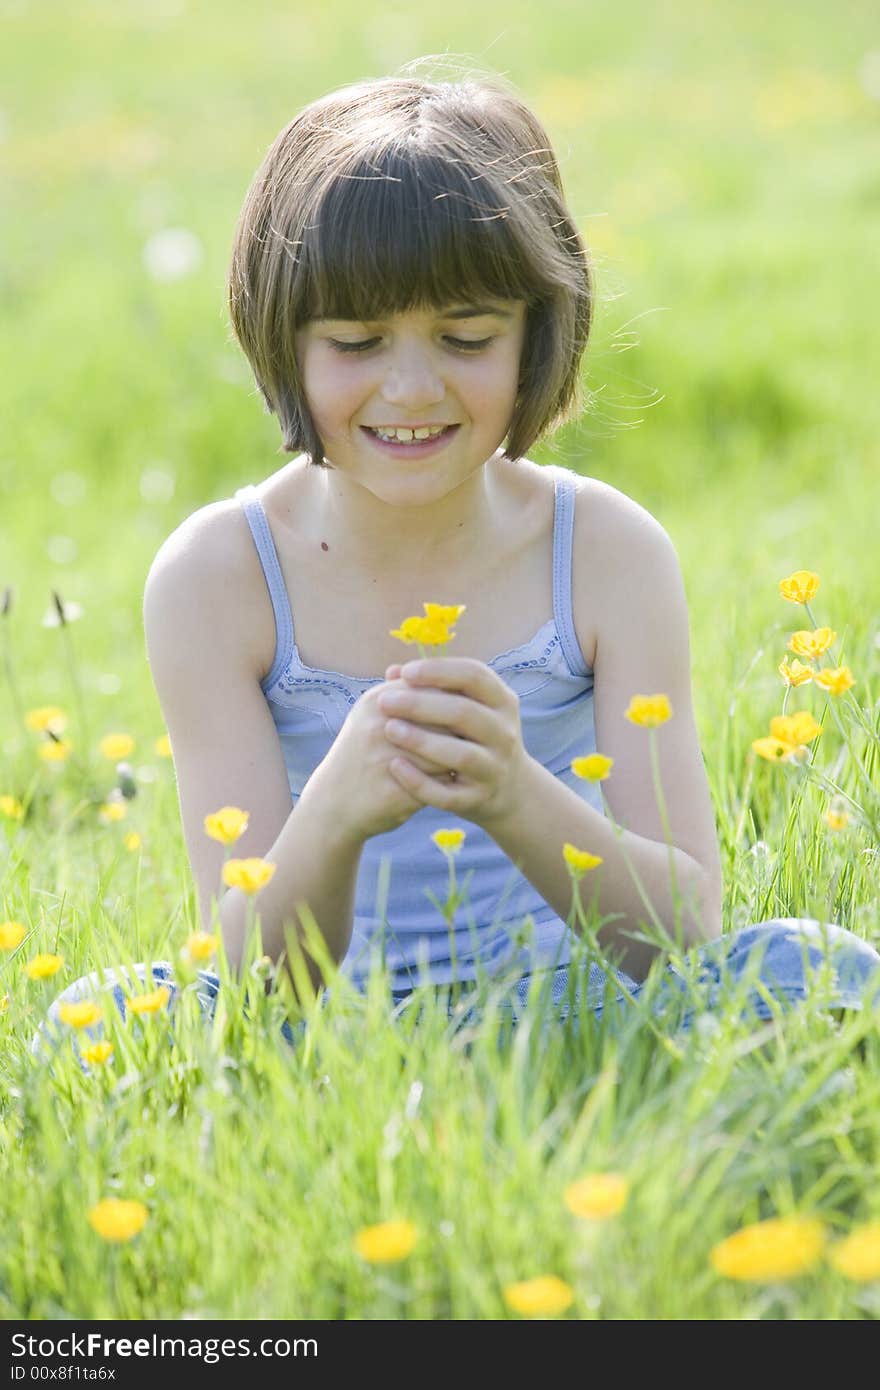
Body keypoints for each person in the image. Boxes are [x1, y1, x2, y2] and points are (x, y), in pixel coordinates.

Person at [33, 69, 880, 1061]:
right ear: (282, 339)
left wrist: (514, 790)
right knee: (90, 1024)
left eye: (464, 336)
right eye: (355, 339)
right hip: (335, 1041)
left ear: (533, 337)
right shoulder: (218, 577)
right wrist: (338, 807)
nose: (410, 386)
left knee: (819, 965)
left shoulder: (604, 552)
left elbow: (683, 929)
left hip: (590, 1019)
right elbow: (256, 979)